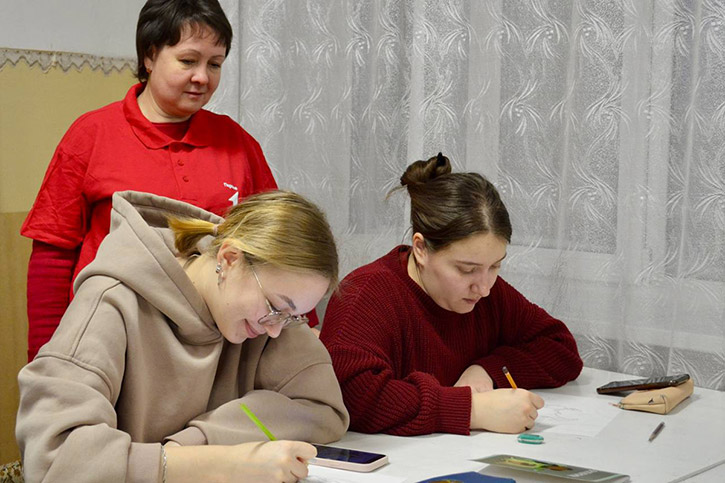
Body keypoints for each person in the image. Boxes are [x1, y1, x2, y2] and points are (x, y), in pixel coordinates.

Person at [16, 189, 349, 482]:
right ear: (229, 259)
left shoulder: (266, 317)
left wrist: (199, 440)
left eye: (292, 316)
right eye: (276, 306)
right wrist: (216, 465)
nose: (275, 330)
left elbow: (324, 411)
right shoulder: (112, 301)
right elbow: (53, 461)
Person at [21, 0, 281, 362]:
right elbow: (52, 258)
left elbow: (276, 244)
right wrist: (46, 353)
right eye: (188, 61)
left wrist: (301, 329)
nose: (202, 77)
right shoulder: (92, 134)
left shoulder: (237, 142)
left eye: (215, 64)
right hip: (110, 342)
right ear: (149, 55)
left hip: (212, 350)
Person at [320, 153, 583, 437]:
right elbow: (352, 395)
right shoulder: (366, 293)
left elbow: (560, 348)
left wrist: (487, 370)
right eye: (466, 269)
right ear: (421, 249)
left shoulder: (487, 293)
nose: (484, 288)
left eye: (495, 266)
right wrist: (472, 410)